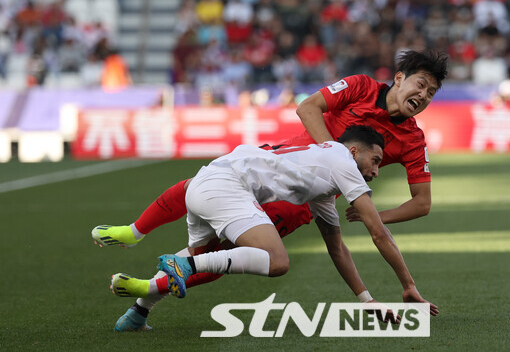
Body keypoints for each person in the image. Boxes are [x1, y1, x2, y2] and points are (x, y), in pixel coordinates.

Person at [92, 49, 448, 331]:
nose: (423, 94)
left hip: (294, 196)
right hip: (276, 171)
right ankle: (142, 249)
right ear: (399, 78)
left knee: (216, 247)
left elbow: (421, 204)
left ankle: (141, 300)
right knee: (253, 258)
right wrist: (333, 154)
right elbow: (308, 106)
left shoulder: (412, 139)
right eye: (420, 84)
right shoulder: (360, 91)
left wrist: (367, 294)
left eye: (431, 92)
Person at [101, 125, 438, 331]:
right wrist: (408, 286)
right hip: (226, 185)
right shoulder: (341, 159)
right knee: (276, 261)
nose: (376, 171)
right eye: (375, 161)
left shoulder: (321, 176)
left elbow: (337, 248)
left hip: (204, 182)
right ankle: (175, 261)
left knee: (208, 259)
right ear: (354, 152)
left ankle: (137, 313)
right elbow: (378, 230)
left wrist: (367, 302)